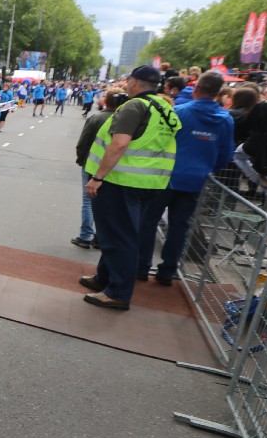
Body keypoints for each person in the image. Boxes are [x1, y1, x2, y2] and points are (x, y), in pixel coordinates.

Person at [80, 66, 181, 311]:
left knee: (118, 237)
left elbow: (119, 144)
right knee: (120, 234)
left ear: (134, 81)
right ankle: (104, 278)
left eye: (128, 80)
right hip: (150, 183)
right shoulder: (164, 107)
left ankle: (117, 292)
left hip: (122, 182)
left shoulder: (134, 106)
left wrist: (98, 177)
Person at [137, 72, 234, 285]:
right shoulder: (226, 120)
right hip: (196, 180)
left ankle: (141, 266)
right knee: (179, 226)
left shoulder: (180, 112)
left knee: (148, 221)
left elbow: (160, 142)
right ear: (218, 93)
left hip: (165, 176)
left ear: (196, 89)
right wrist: (207, 168)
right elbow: (226, 154)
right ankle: (168, 271)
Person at [71, 89, 125, 249]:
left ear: (106, 101)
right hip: (114, 167)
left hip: (92, 164)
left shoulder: (96, 118)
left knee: (88, 201)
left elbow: (83, 142)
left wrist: (81, 159)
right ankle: (101, 237)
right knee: (108, 203)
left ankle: (85, 236)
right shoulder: (127, 121)